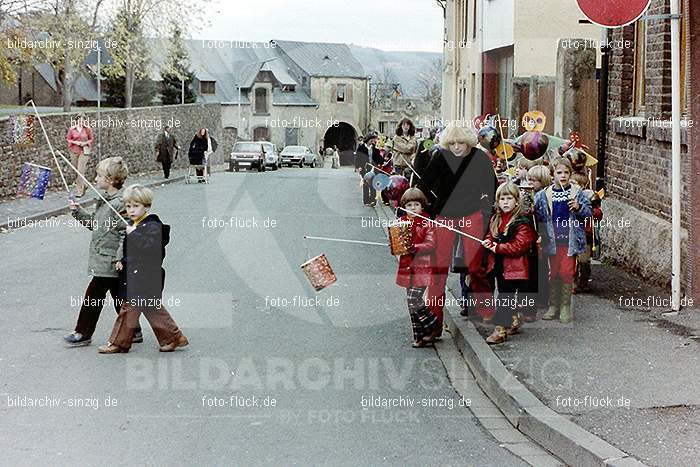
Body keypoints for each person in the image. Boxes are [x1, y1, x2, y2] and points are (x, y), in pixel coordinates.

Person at [418, 126, 497, 331]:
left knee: (475, 266)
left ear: (468, 143)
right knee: (438, 268)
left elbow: (492, 188)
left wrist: (485, 213)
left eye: (460, 143)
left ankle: (486, 309)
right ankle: (434, 321)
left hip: (472, 214)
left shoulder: (480, 158)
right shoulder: (440, 156)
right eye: (452, 143)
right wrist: (426, 208)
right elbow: (423, 186)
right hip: (444, 215)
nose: (456, 147)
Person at [98, 185, 188, 353]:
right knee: (151, 308)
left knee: (128, 309)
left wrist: (135, 234)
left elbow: (151, 248)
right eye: (128, 206)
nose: (131, 210)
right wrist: (123, 260)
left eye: (136, 206)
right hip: (137, 275)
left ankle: (118, 343)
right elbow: (132, 250)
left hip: (146, 276)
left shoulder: (152, 225)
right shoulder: (134, 224)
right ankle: (174, 337)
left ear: (147, 206)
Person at [64, 157, 142, 347]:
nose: (95, 178)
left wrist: (118, 258)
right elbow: (95, 225)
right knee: (118, 296)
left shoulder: (121, 203)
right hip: (105, 258)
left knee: (94, 295)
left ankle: (83, 332)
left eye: (99, 175)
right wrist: (77, 211)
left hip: (110, 260)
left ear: (110, 179)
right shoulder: (104, 201)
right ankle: (135, 331)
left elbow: (127, 233)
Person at [534, 157, 591, 323]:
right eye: (559, 172)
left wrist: (579, 207)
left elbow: (588, 213)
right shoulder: (545, 194)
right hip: (552, 241)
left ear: (570, 174)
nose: (563, 176)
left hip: (569, 241)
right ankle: (554, 305)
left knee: (567, 272)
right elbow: (536, 213)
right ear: (553, 175)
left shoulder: (576, 192)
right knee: (553, 273)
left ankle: (565, 306)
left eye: (566, 172)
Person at [481, 182, 538, 344]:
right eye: (502, 199)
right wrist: (488, 241)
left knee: (504, 297)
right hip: (499, 265)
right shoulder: (496, 219)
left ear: (516, 201)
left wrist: (497, 247)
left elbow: (519, 246)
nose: (505, 202)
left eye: (509, 198)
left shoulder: (522, 222)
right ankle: (514, 318)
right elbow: (490, 235)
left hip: (515, 267)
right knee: (505, 295)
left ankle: (500, 329)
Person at [395, 188, 440, 347]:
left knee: (413, 299)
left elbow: (431, 244)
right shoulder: (401, 223)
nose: (413, 208)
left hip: (422, 267)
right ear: (404, 207)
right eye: (409, 205)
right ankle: (419, 336)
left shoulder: (428, 223)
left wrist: (415, 247)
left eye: (416, 204)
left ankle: (433, 325)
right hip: (407, 267)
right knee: (411, 303)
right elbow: (397, 243)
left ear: (422, 206)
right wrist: (395, 245)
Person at [527, 164, 553, 316]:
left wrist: (543, 235)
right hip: (535, 233)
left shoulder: (541, 196)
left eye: (534, 180)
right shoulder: (533, 194)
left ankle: (542, 297)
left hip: (540, 234)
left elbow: (544, 217)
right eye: (529, 180)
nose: (531, 183)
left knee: (540, 268)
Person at [571, 172, 603, 294]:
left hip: (586, 234)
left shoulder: (589, 197)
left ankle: (583, 281)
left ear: (583, 186)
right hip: (572, 233)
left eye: (576, 184)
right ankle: (572, 283)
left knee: (583, 260)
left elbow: (598, 214)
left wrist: (591, 211)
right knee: (571, 259)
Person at [66, 112, 94, 197]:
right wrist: (75, 142)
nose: (81, 121)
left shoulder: (87, 129)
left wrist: (85, 143)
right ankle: (84, 185)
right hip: (74, 151)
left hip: (84, 151)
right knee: (75, 171)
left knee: (80, 171)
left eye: (83, 120)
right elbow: (68, 139)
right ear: (77, 120)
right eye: (79, 120)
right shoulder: (72, 129)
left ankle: (80, 191)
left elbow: (91, 139)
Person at [354, 133, 382, 206]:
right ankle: (366, 201)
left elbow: (378, 158)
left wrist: (382, 161)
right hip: (364, 168)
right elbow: (357, 158)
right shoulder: (361, 148)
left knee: (373, 184)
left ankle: (373, 200)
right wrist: (358, 166)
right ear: (368, 139)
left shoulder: (375, 149)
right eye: (371, 139)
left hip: (373, 168)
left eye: (373, 139)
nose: (373, 140)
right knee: (366, 184)